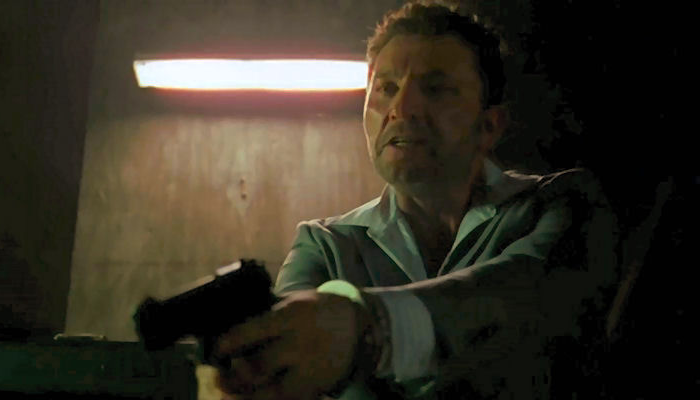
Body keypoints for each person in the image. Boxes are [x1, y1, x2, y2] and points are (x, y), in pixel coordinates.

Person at [212, 1, 618, 399]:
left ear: (489, 125)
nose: (401, 109)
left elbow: (524, 292)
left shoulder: (561, 205)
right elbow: (285, 359)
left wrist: (366, 327)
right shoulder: (325, 245)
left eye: (436, 89)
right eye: (386, 88)